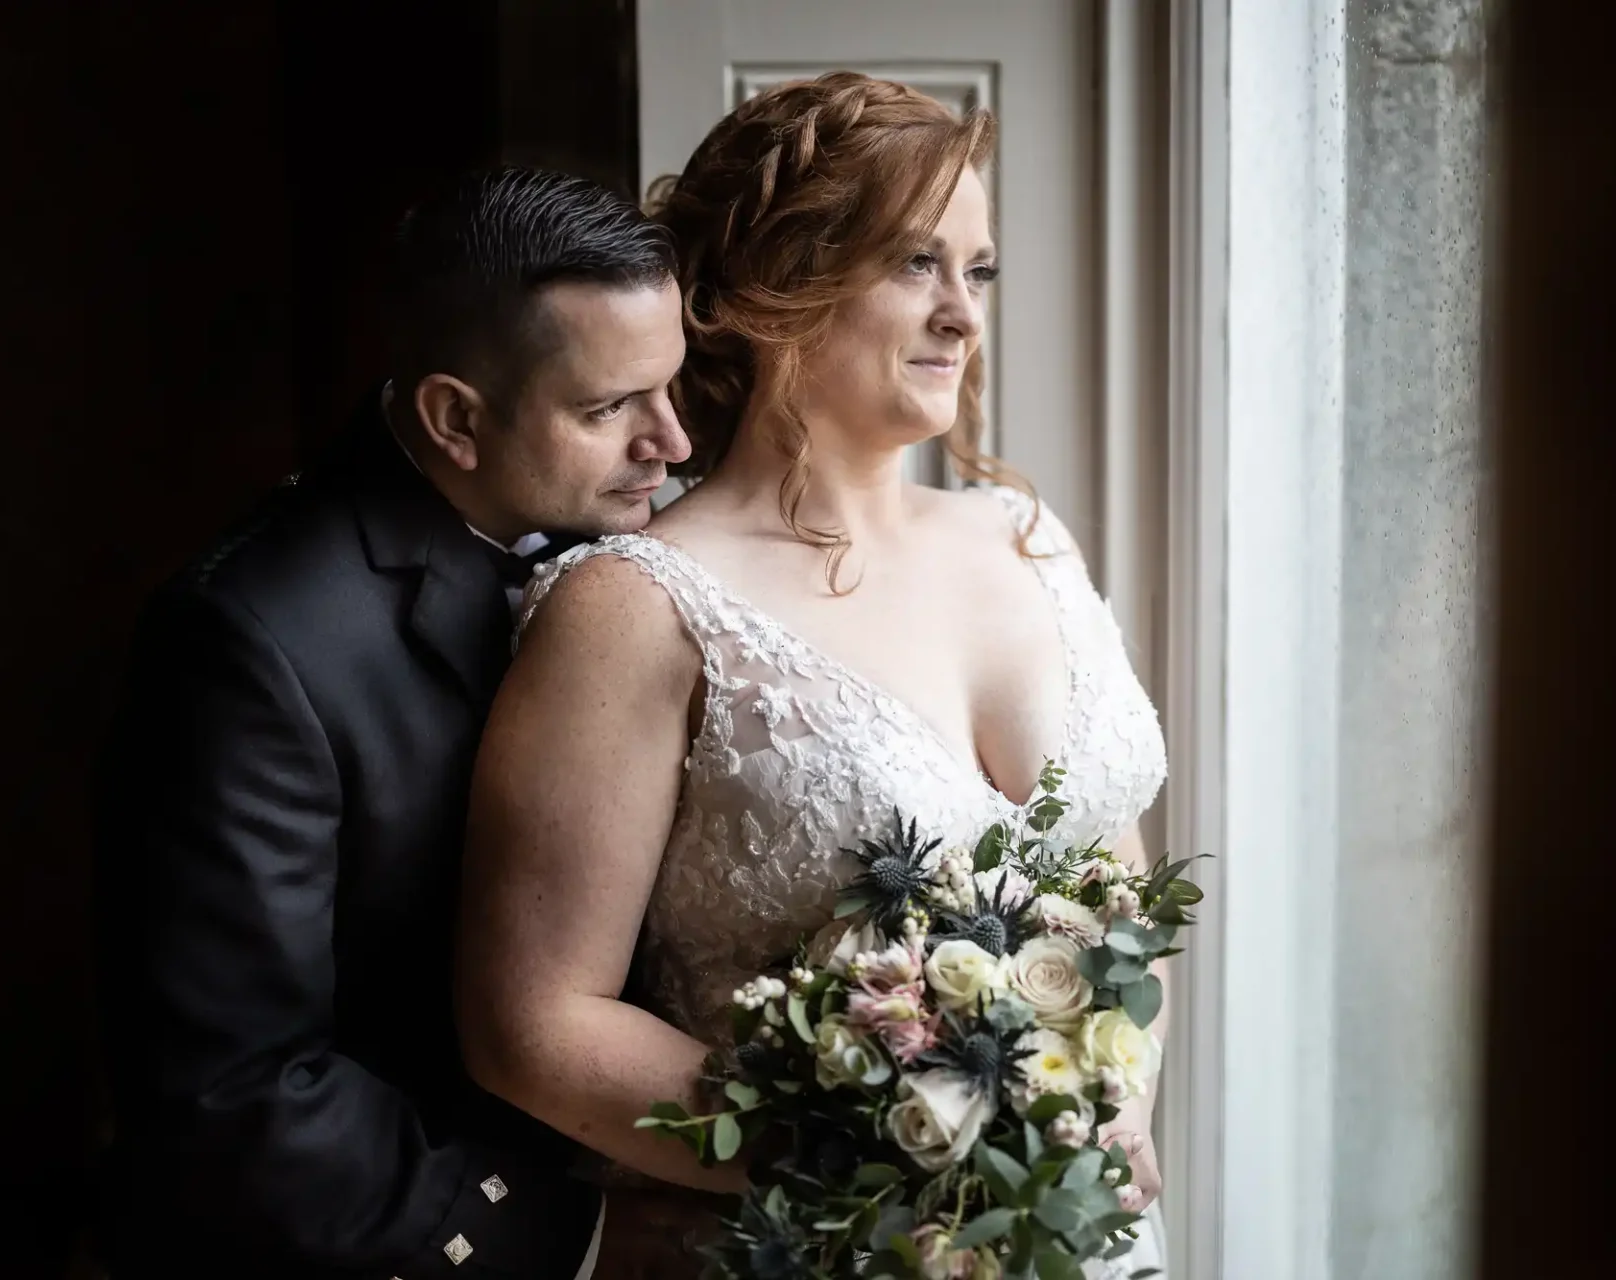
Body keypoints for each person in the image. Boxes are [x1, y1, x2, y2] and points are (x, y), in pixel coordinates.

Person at [457, 74, 1172, 1276]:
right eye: (914, 263)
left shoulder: (1024, 538)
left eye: (978, 270)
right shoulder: (636, 605)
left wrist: (1103, 1094)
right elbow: (531, 1023)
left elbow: (1117, 877)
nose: (962, 314)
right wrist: (899, 1141)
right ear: (765, 290)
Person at [90, 168, 690, 1280]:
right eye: (611, 408)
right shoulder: (248, 640)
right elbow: (237, 1086)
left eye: (671, 388)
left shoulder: (653, 542)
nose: (675, 440)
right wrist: (573, 1235)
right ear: (455, 417)